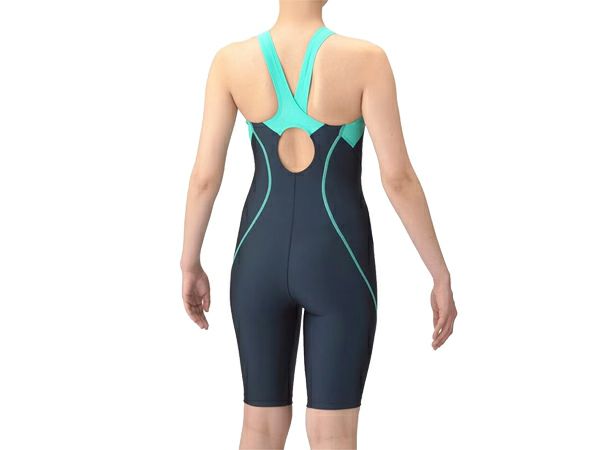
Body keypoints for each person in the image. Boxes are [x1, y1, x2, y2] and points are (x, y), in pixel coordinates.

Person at [180, 1, 457, 448]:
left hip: (257, 259)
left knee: (259, 427)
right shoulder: (366, 60)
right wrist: (439, 273)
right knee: (333, 435)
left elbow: (204, 178)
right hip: (338, 260)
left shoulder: (231, 62)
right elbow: (398, 179)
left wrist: (189, 262)